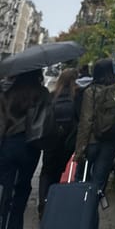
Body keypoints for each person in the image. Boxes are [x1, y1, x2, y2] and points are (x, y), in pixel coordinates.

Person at [0, 69, 50, 229]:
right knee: (23, 186)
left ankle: (3, 219)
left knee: (5, 186)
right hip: (31, 145)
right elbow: (48, 118)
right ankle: (15, 222)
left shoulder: (8, 91)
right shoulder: (42, 93)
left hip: (9, 143)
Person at [74, 59, 115, 193]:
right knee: (98, 183)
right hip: (110, 142)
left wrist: (80, 149)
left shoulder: (91, 91)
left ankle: (80, 209)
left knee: (81, 178)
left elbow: (86, 120)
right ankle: (92, 210)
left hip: (92, 141)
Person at [37, 67, 80, 219]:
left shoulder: (52, 95)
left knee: (46, 171)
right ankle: (51, 202)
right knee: (57, 172)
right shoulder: (78, 97)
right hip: (67, 142)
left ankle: (42, 203)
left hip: (51, 139)